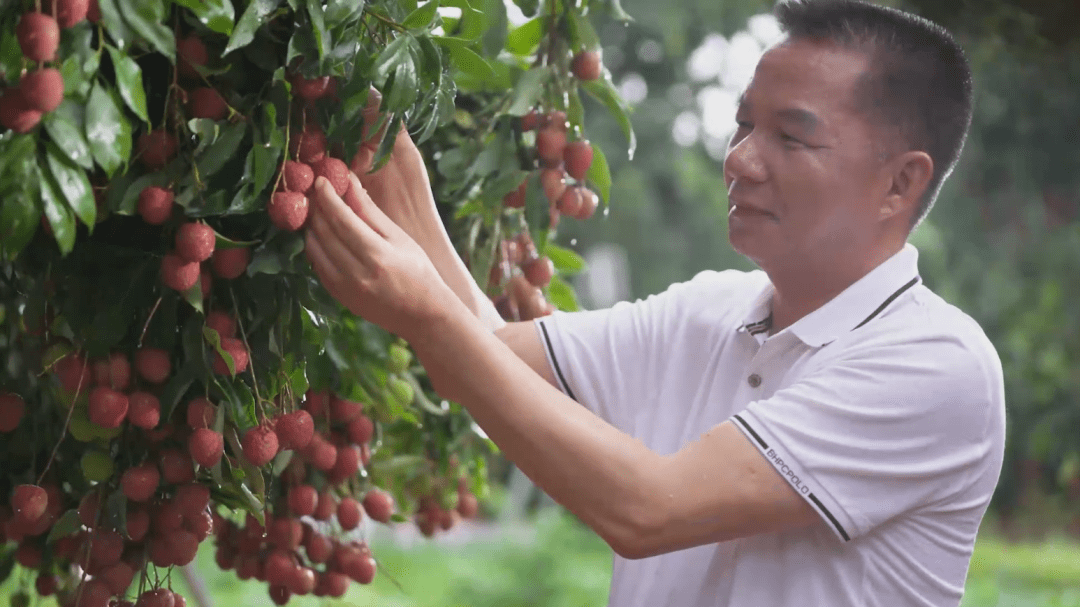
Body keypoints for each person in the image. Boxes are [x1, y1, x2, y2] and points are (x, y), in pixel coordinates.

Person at [302, 0, 1007, 604]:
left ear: (900, 184)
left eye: (791, 136)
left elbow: (647, 507)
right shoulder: (710, 311)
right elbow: (494, 350)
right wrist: (396, 166)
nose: (740, 159)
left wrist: (424, 310)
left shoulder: (934, 364)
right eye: (743, 125)